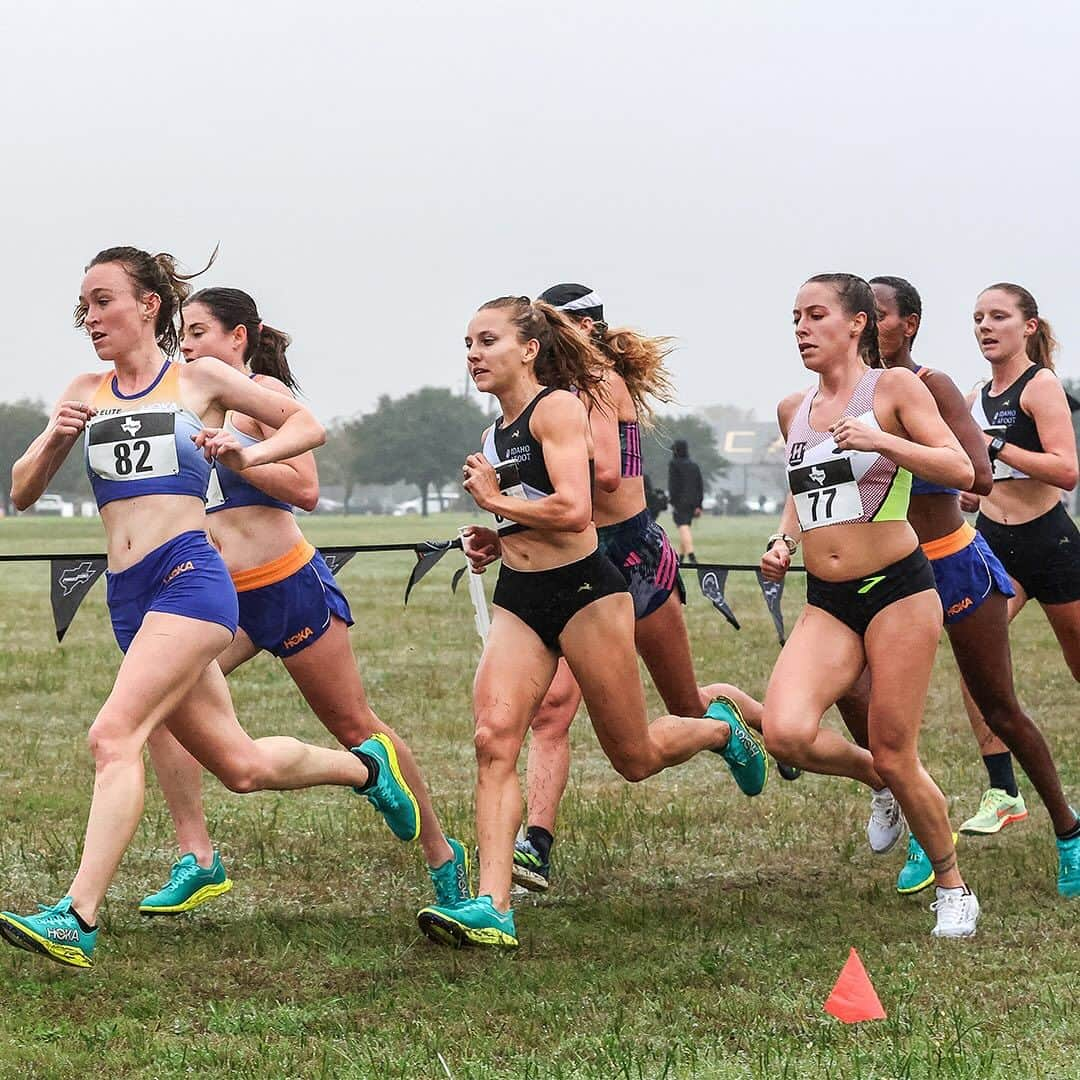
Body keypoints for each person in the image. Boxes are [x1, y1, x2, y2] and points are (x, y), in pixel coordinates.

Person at [0, 248, 420, 970]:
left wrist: (246, 454)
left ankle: (78, 915)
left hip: (190, 580)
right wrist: (53, 438)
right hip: (127, 597)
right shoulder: (85, 389)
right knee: (241, 766)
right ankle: (367, 772)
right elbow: (22, 491)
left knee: (114, 735)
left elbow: (306, 424)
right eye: (85, 306)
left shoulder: (198, 378)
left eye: (104, 301)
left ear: (148, 306)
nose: (91, 318)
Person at [415, 295, 768, 949]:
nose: (473, 355)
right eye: (466, 343)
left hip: (586, 593)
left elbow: (577, 509)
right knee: (493, 738)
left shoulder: (558, 408)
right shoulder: (493, 433)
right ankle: (493, 906)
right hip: (521, 596)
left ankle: (719, 731)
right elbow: (525, 509)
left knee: (633, 757)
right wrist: (492, 533)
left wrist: (494, 499)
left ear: (528, 348)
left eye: (486, 340)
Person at [136, 286, 469, 918]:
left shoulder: (266, 398)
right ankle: (199, 860)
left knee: (354, 728)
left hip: (288, 585)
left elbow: (308, 490)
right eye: (183, 332)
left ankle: (442, 857)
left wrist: (244, 456)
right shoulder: (187, 405)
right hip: (220, 597)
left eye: (201, 331)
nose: (188, 343)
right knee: (160, 703)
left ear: (240, 336)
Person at [832, 276, 1079, 897]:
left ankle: (1068, 831)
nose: (864, 325)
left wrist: (900, 448)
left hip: (950, 562)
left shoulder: (934, 386)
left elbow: (977, 473)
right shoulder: (844, 395)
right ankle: (915, 816)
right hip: (883, 571)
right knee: (855, 695)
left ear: (905, 324)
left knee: (999, 706)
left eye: (877, 315)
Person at [509, 283, 751, 894]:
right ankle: (535, 842)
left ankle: (766, 734)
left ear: (584, 328)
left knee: (686, 705)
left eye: (550, 324)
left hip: (634, 557)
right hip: (579, 560)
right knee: (552, 710)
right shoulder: (545, 398)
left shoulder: (598, 385)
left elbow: (610, 474)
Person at [760, 273, 981, 938]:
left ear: (856, 324)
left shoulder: (892, 390)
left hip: (898, 590)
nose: (801, 327)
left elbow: (962, 471)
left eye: (816, 314)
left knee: (895, 745)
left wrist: (882, 439)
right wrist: (784, 536)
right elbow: (805, 488)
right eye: (795, 315)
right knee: (786, 732)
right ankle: (878, 782)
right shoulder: (792, 408)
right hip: (827, 599)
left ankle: (953, 886)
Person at [956, 282, 1080, 894]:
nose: (985, 326)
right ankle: (1003, 790)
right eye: (978, 318)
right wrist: (969, 487)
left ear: (1028, 326)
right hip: (990, 543)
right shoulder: (975, 396)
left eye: (998, 317)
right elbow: (981, 474)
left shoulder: (1041, 385)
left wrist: (999, 446)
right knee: (975, 666)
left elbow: (1066, 469)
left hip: (1050, 543)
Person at [668, 439, 703, 562]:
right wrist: (699, 505)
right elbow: (700, 485)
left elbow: (673, 484)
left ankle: (691, 554)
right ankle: (681, 556)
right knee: (686, 527)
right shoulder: (694, 465)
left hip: (679, 501)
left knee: (682, 526)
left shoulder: (674, 464)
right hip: (693, 502)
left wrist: (672, 500)